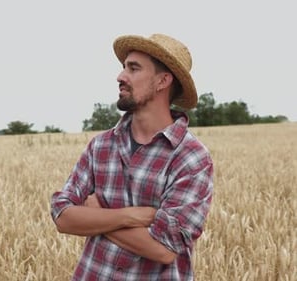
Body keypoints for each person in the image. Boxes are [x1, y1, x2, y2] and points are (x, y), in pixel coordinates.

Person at [50, 33, 214, 280]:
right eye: (123, 67)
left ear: (162, 81)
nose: (120, 76)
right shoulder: (101, 146)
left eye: (133, 68)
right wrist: (130, 216)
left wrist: (98, 213)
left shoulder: (191, 158)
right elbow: (62, 217)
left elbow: (164, 249)